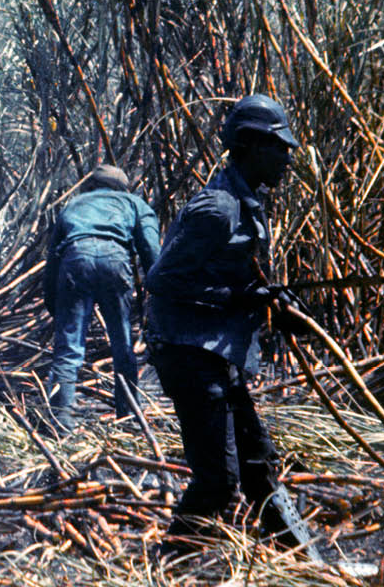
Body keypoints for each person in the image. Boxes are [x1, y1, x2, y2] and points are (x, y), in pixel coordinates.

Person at [145, 94, 308, 555]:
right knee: (218, 480)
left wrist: (272, 300)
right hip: (189, 354)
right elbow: (161, 281)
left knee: (259, 463)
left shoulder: (247, 202)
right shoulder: (218, 209)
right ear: (250, 145)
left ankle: (303, 563)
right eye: (280, 147)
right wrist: (242, 297)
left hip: (217, 354)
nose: (287, 158)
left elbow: (232, 277)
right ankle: (168, 565)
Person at [42, 164, 161, 434]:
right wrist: (157, 292)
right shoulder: (134, 203)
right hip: (114, 261)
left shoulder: (73, 205)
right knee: (122, 343)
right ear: (123, 187)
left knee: (69, 347)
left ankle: (60, 421)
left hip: (75, 260)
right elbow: (151, 250)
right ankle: (129, 418)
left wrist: (55, 304)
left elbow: (52, 262)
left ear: (92, 186)